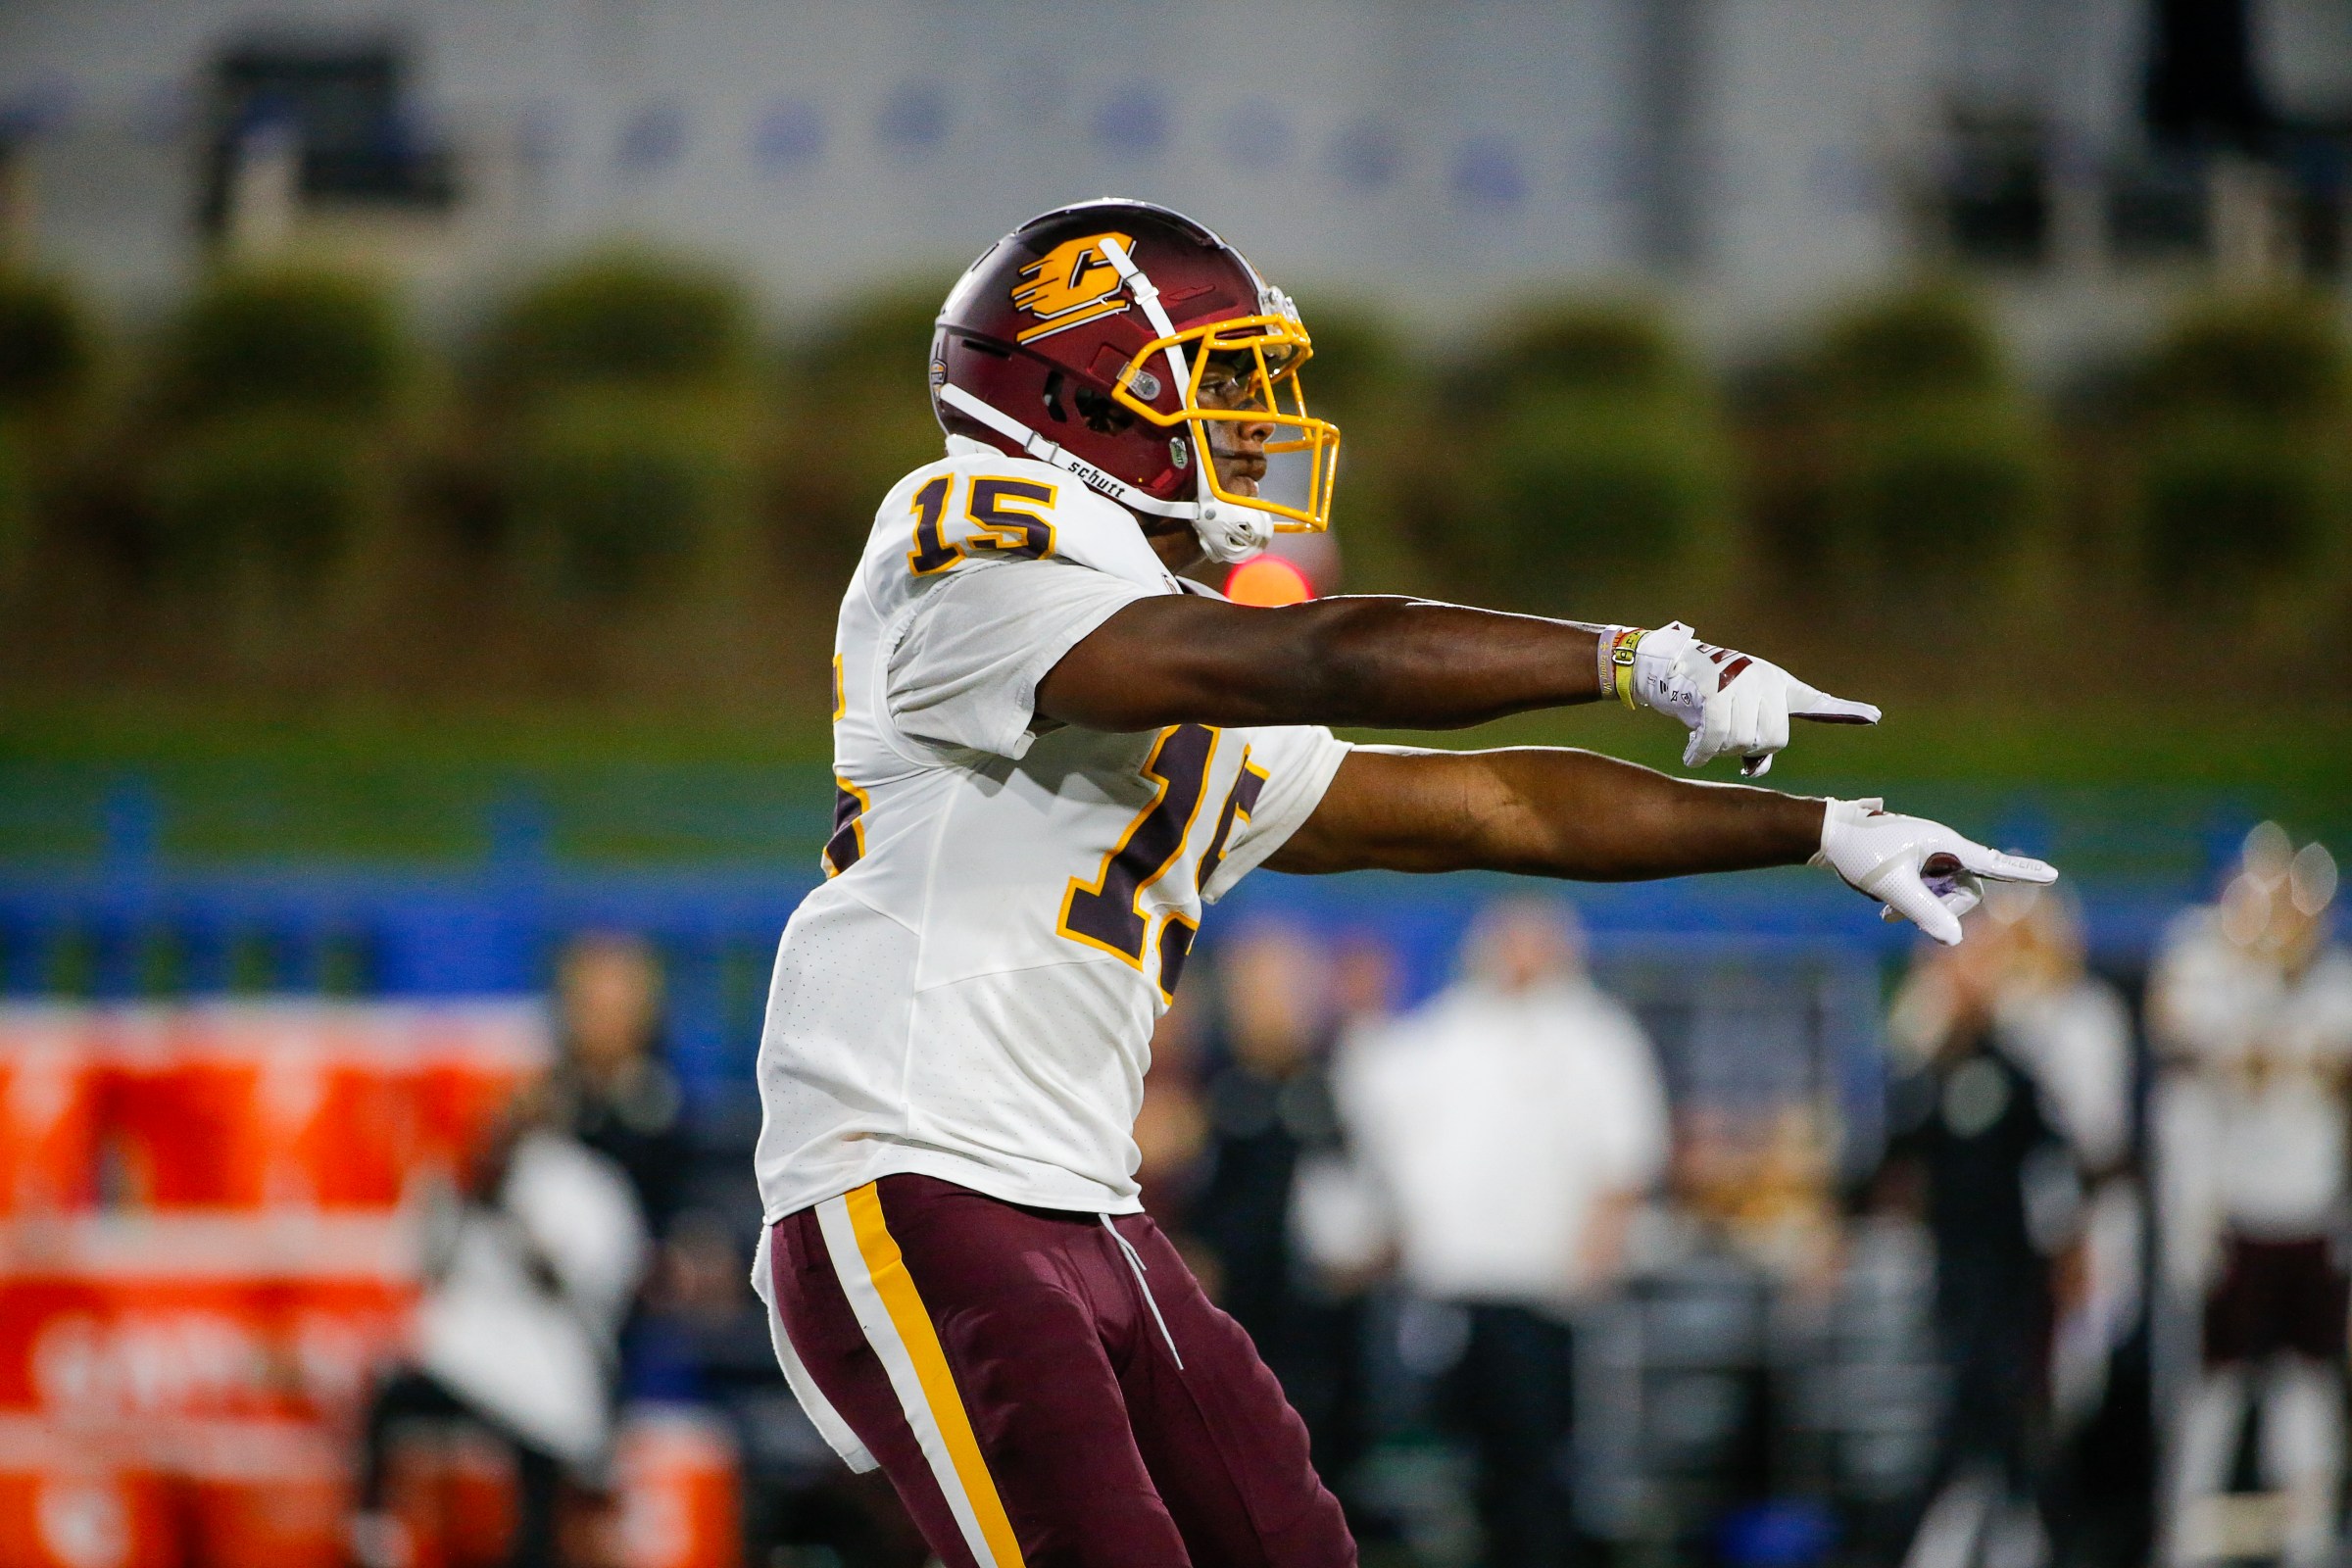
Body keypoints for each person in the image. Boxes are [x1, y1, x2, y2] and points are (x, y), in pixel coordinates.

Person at [749, 198, 2057, 1568]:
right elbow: (1320, 657)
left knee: (1292, 1542)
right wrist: (1634, 659)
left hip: (1080, 1199)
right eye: (1218, 381)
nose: (1255, 420)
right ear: (1080, 391)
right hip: (907, 1175)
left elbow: (1489, 806)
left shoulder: (1159, 649)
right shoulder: (970, 525)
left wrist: (1815, 830)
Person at [1335, 896, 1670, 1568]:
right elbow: (1379, 1103)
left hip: (1544, 1290)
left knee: (1537, 1458)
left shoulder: (1594, 1035)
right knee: (1469, 1455)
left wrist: (1592, 1256)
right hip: (1455, 1286)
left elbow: (1628, 1154)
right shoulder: (1452, 1029)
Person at [2153, 826, 2351, 1568]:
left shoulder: (2335, 987)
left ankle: (2311, 1536)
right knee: (2216, 1391)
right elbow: (2176, 1022)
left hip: (2310, 1215)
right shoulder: (2211, 965)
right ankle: (2187, 1532)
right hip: (2235, 1215)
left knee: (2307, 1392)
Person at [551, 931, 692, 1238]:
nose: (602, 1024)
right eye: (591, 1006)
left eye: (615, 1008)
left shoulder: (660, 1098)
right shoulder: (550, 1096)